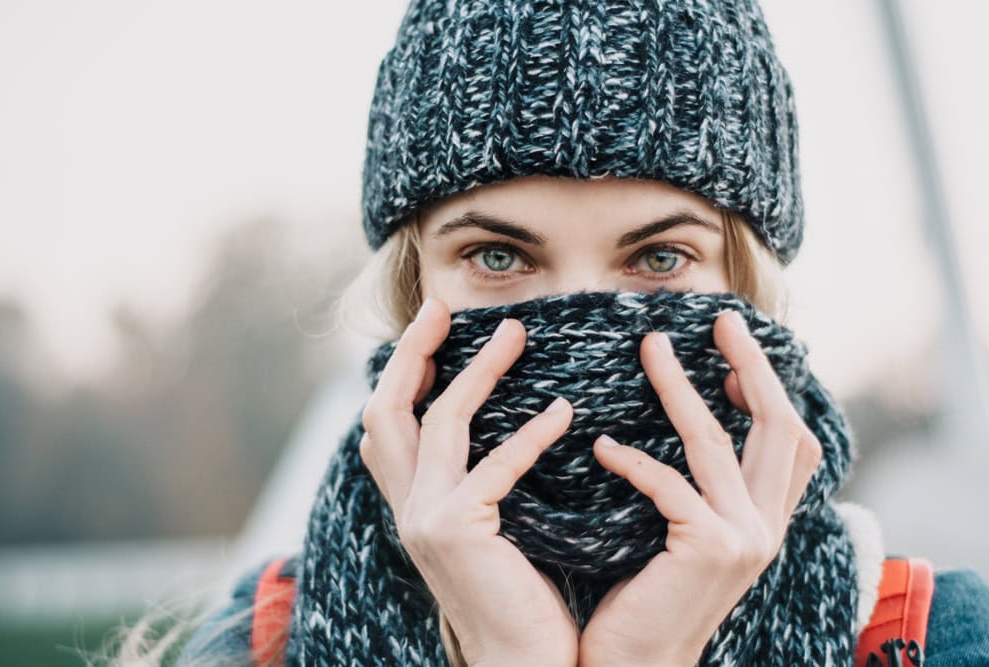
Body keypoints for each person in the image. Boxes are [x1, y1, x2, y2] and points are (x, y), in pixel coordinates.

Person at [110, 0, 989, 665]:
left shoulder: (941, 637)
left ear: (747, 293)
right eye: (498, 256)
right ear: (414, 293)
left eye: (657, 258)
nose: (580, 320)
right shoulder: (254, 642)